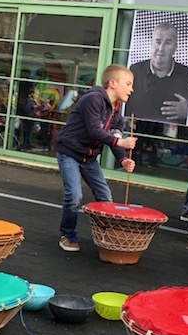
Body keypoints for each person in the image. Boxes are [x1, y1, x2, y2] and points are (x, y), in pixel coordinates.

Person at [55, 64, 137, 252]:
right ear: (113, 83)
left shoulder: (117, 109)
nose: (132, 89)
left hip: (89, 157)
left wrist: (123, 159)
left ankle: (105, 236)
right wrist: (122, 144)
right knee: (74, 195)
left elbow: (114, 136)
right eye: (128, 84)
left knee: (105, 197)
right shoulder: (93, 99)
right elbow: (95, 131)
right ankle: (67, 235)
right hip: (69, 152)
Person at [127, 22, 188, 124]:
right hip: (136, 132)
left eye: (168, 43)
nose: (161, 49)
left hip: (172, 136)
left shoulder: (187, 75)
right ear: (151, 44)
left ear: (175, 47)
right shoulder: (134, 71)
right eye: (158, 42)